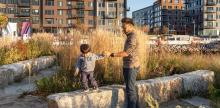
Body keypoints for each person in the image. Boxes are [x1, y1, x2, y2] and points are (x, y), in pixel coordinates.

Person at [110, 18, 140, 108]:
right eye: (122, 27)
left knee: (130, 90)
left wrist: (111, 54)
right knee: (131, 89)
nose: (123, 29)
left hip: (131, 66)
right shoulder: (130, 36)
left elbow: (126, 53)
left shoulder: (133, 37)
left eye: (124, 27)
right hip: (129, 65)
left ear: (131, 26)